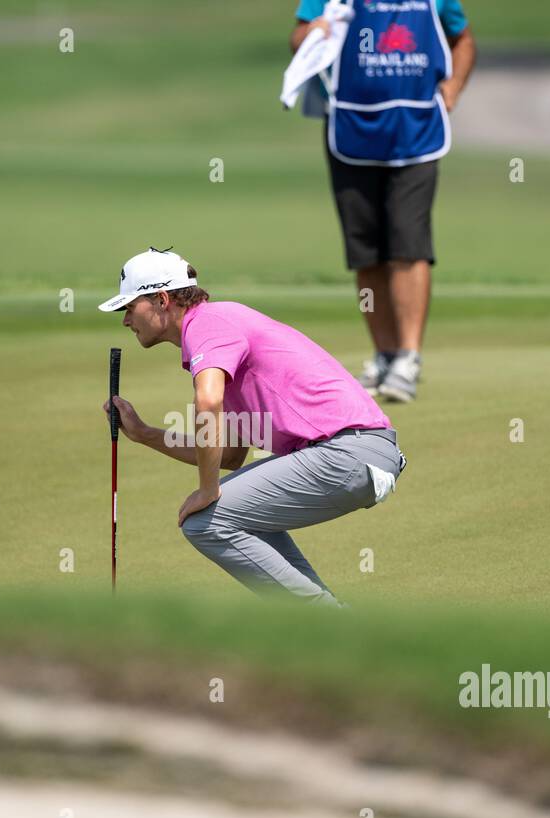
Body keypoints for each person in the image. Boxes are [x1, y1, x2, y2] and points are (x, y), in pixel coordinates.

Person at [99, 248, 406, 606]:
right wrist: (147, 434)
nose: (125, 320)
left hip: (347, 452)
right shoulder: (216, 332)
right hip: (355, 453)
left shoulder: (208, 325)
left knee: (206, 522)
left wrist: (207, 490)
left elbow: (208, 402)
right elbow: (230, 455)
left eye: (129, 308)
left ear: (162, 300)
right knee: (233, 518)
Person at [290, 0, 476, 402]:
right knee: (366, 252)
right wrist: (316, 33)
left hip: (417, 133)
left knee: (409, 245)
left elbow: (462, 39)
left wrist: (454, 86)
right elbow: (299, 38)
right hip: (352, 131)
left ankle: (409, 358)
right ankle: (385, 354)